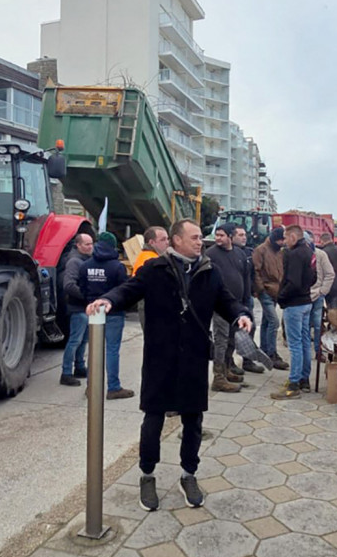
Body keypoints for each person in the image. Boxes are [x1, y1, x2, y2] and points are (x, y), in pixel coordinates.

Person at [87, 219, 251, 511]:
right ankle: (147, 474)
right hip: (160, 358)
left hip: (194, 359)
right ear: (177, 240)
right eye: (195, 237)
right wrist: (108, 300)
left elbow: (226, 301)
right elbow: (128, 289)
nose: (200, 242)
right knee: (153, 420)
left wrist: (241, 314)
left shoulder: (208, 271)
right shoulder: (155, 269)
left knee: (193, 421)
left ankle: (189, 474)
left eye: (200, 237)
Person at [80, 232, 134, 399]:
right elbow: (124, 291)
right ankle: (113, 387)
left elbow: (82, 288)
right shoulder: (117, 267)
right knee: (112, 350)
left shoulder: (86, 265)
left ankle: (91, 387)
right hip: (114, 312)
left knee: (94, 350)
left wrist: (90, 301)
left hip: (93, 311)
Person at [272, 225, 316, 399]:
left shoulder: (295, 254)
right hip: (306, 301)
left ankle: (294, 383)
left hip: (294, 304)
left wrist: (281, 297)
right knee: (304, 342)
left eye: (285, 237)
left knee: (295, 344)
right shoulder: (309, 251)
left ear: (293, 237)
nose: (283, 241)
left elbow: (293, 282)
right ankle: (304, 379)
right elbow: (313, 277)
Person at [206, 224, 251, 392]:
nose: (218, 238)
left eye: (221, 235)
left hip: (237, 305)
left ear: (230, 237)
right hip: (220, 307)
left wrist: (245, 301)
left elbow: (245, 276)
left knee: (232, 338)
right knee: (221, 340)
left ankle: (226, 370)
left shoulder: (239, 254)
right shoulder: (211, 254)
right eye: (217, 235)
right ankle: (218, 377)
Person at [59, 232, 94, 386]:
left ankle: (79, 367)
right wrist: (87, 296)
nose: (90, 247)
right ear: (78, 245)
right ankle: (66, 373)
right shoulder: (74, 261)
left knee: (84, 340)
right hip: (77, 308)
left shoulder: (86, 260)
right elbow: (68, 285)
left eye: (91, 243)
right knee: (75, 340)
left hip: (85, 308)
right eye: (87, 244)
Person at [253, 227, 289, 371]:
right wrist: (261, 289)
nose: (282, 242)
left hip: (276, 291)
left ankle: (264, 350)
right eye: (281, 240)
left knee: (267, 321)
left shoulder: (279, 252)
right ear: (275, 239)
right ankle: (272, 353)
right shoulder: (261, 250)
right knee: (274, 322)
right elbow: (256, 270)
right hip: (266, 290)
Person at [232, 226, 266, 374]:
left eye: (244, 234)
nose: (244, 237)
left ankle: (248, 360)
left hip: (247, 297)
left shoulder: (248, 253)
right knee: (232, 332)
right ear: (232, 237)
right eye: (240, 235)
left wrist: (255, 290)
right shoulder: (229, 254)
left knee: (250, 329)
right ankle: (229, 363)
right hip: (234, 299)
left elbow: (253, 274)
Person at [309, 236, 336, 365]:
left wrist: (323, 291)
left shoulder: (321, 255)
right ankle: (305, 353)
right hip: (303, 296)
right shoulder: (297, 253)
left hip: (317, 294)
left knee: (318, 325)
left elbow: (330, 273)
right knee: (304, 327)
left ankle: (319, 352)